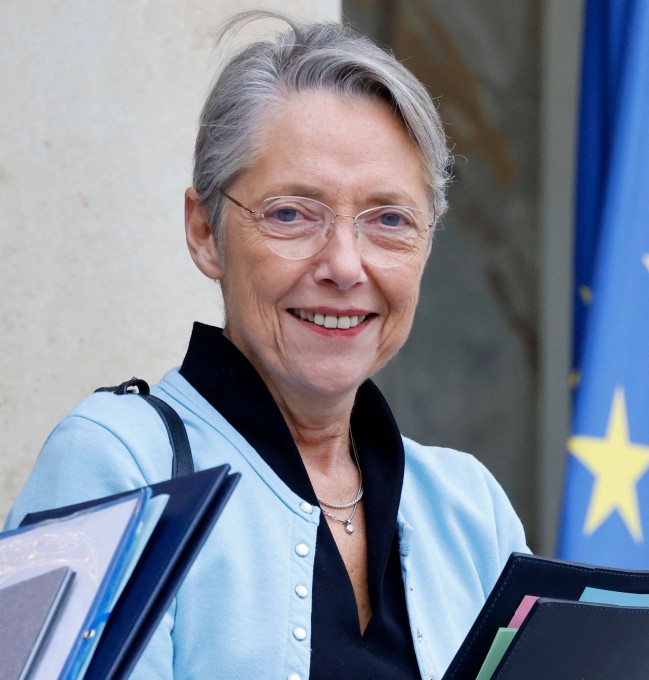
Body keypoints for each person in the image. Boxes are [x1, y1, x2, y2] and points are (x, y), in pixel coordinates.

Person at [5, 10, 528, 680]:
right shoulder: (116, 468)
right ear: (204, 231)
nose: (344, 265)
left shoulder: (468, 508)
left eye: (389, 219)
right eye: (291, 213)